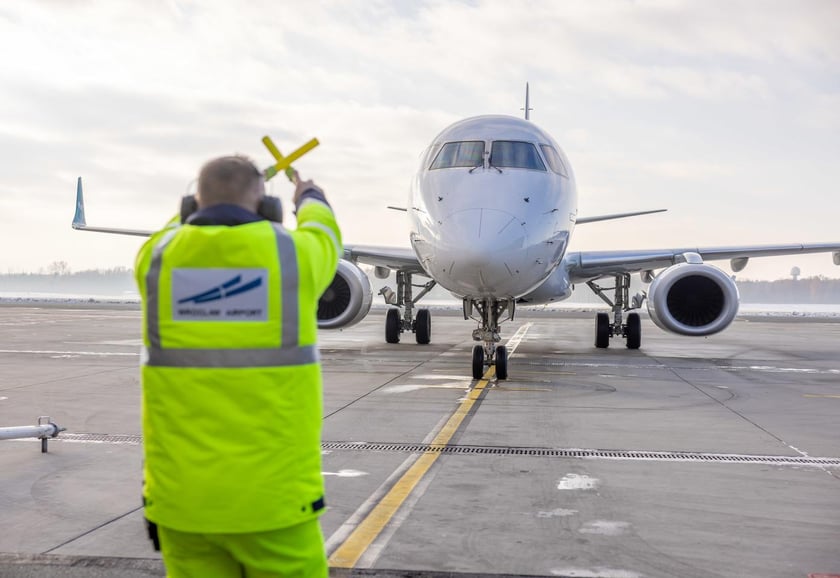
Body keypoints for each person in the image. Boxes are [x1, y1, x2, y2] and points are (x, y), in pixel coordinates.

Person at [134, 155, 341, 577]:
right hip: (276, 504)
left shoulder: (155, 262)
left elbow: (170, 231)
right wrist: (311, 196)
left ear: (193, 202)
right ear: (268, 208)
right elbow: (325, 234)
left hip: (182, 504)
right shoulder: (293, 256)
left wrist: (191, 207)